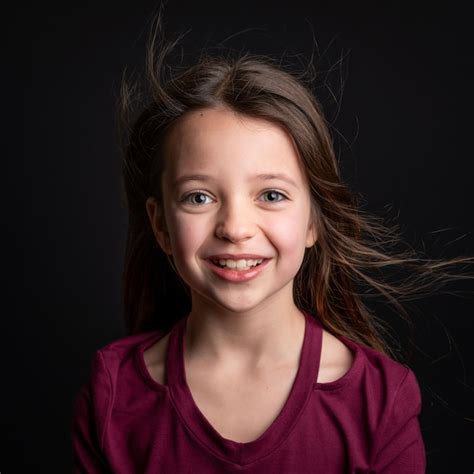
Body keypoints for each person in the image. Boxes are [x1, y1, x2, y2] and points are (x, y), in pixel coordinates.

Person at [72, 12, 472, 473]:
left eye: (272, 195)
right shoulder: (114, 393)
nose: (236, 227)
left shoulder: (380, 401)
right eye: (199, 197)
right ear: (160, 225)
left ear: (313, 222)